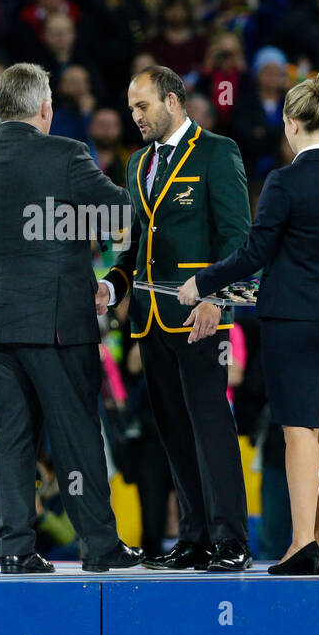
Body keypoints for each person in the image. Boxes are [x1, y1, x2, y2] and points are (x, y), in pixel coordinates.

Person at [0, 62, 142, 574]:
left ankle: (14, 548)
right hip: (55, 323)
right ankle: (100, 548)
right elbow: (123, 215)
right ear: (44, 107)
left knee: (7, 438)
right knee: (77, 433)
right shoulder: (66, 154)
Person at [176, 71, 319, 574]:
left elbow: (255, 252)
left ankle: (301, 542)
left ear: (291, 122)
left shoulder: (284, 181)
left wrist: (203, 282)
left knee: (298, 431)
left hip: (293, 319)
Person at [99, 65, 253, 572]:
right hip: (148, 321)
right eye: (130, 109)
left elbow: (236, 239)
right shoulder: (136, 163)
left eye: (142, 106)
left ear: (172, 99)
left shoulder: (217, 152)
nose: (135, 117)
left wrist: (219, 298)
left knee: (211, 427)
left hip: (201, 316)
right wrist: (110, 286)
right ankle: (195, 539)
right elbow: (133, 249)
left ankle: (231, 539)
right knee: (173, 432)